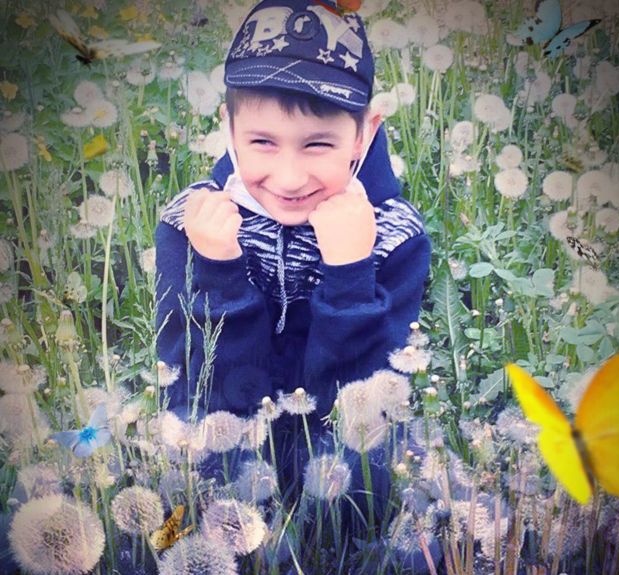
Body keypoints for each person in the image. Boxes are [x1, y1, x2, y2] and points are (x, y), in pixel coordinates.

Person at [154, 0, 431, 504]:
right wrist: (219, 271)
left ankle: (334, 540)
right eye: (263, 141)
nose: (288, 178)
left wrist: (350, 274)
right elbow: (191, 385)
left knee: (362, 482)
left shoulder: (395, 236)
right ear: (228, 128)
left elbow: (368, 399)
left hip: (334, 429)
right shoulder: (187, 225)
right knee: (198, 475)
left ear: (364, 134)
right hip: (229, 414)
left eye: (317, 145)